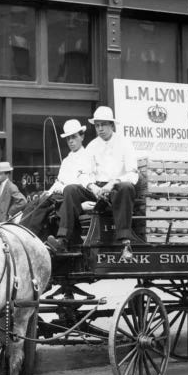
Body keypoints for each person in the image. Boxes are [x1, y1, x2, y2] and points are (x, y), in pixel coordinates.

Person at [47, 106, 138, 261]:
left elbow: (133, 173)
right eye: (97, 125)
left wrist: (114, 182)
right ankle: (63, 239)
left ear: (112, 125)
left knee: (126, 186)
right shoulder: (92, 146)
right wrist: (92, 186)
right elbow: (83, 173)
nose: (100, 129)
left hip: (117, 189)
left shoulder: (124, 143)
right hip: (97, 190)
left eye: (103, 124)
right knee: (70, 189)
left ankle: (125, 241)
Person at [21, 119, 91, 239]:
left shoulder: (88, 157)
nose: (71, 141)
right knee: (34, 202)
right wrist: (49, 191)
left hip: (72, 195)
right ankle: (22, 232)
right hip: (59, 193)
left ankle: (31, 236)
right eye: (68, 138)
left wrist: (59, 189)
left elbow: (83, 182)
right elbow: (59, 180)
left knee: (42, 205)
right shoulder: (66, 160)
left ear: (82, 136)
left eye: (74, 137)